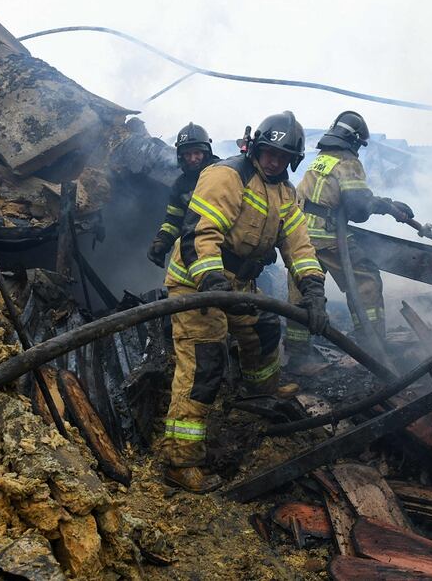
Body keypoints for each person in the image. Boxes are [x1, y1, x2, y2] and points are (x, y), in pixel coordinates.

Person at [160, 110, 328, 493]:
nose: (273, 161)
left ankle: (257, 396)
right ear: (255, 148)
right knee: (206, 361)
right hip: (196, 282)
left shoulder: (285, 192)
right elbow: (198, 234)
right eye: (268, 152)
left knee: (266, 329)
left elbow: (299, 247)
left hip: (238, 282)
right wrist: (215, 285)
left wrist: (314, 291)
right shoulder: (228, 176)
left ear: (292, 160)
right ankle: (179, 460)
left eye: (282, 156)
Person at [284, 111, 414, 361]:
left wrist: (386, 203)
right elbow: (357, 207)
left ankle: (297, 353)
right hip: (326, 235)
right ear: (353, 141)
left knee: (301, 290)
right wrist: (387, 207)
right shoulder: (347, 162)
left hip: (299, 235)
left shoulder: (321, 159)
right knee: (365, 278)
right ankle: (371, 344)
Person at [147, 123, 221, 267]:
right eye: (188, 154)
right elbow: (173, 220)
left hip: (226, 243)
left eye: (197, 153)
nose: (193, 158)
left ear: (206, 152)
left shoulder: (223, 172)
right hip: (199, 248)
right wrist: (162, 241)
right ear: (181, 156)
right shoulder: (180, 186)